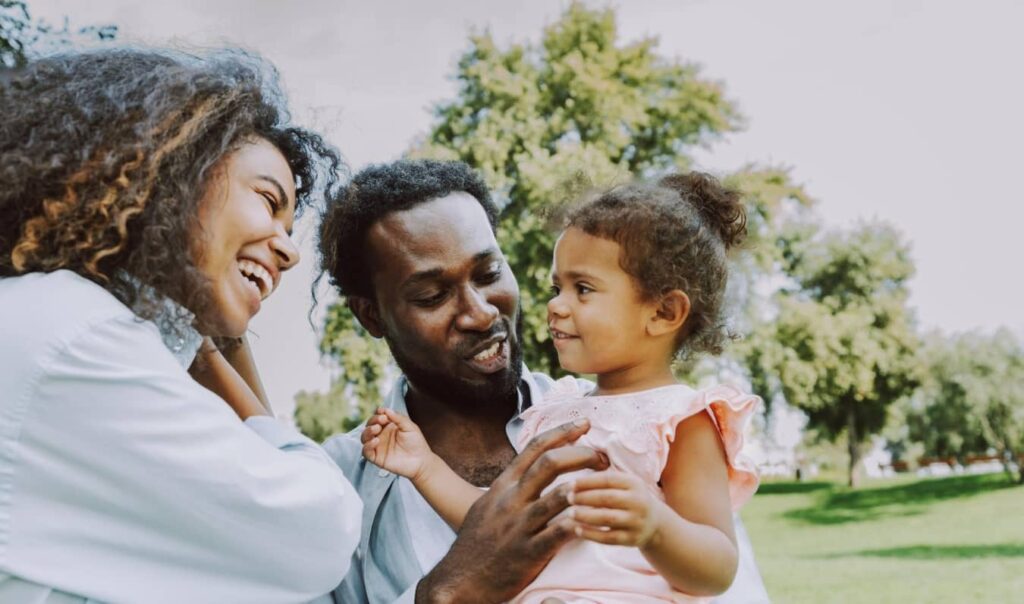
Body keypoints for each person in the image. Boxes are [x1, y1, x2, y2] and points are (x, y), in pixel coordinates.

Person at [0, 49, 362, 603]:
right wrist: (213, 354)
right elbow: (317, 535)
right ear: (176, 172)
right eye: (268, 200)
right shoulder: (78, 339)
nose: (290, 251)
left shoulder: (63, 321)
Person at [318, 159, 769, 603]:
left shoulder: (670, 423)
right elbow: (488, 528)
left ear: (664, 312)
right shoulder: (334, 484)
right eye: (431, 296)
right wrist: (425, 477)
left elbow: (720, 572)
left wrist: (655, 526)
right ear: (372, 315)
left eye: (489, 273)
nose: (481, 313)